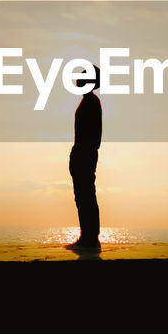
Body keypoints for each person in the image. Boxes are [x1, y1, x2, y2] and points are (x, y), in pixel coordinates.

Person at [68, 64, 101, 251]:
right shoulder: (88, 101)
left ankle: (90, 239)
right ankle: (86, 237)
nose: (78, 80)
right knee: (82, 197)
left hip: (85, 155)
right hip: (82, 154)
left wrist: (84, 154)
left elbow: (93, 135)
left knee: (86, 196)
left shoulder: (92, 102)